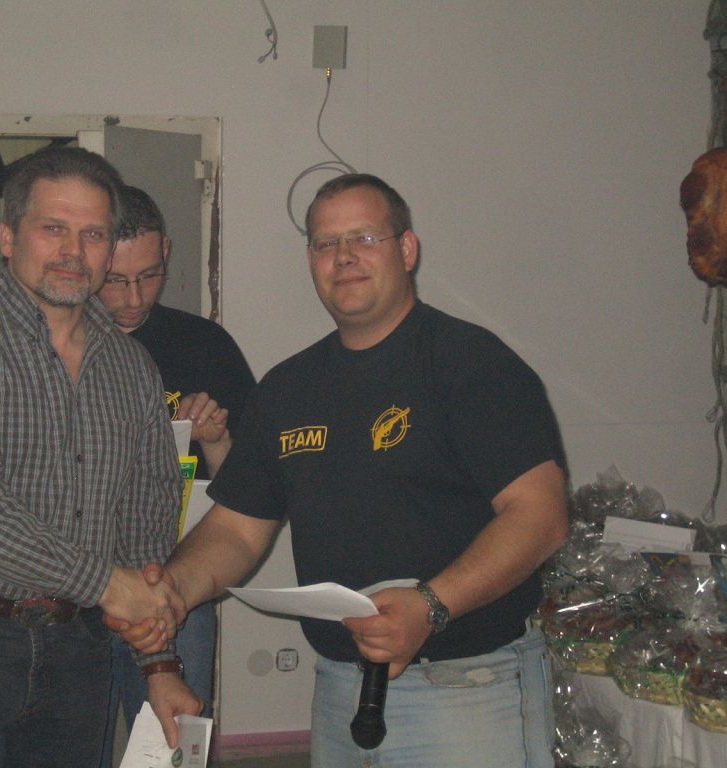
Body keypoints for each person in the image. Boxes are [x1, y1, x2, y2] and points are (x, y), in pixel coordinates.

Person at [113, 173, 570, 767]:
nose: (345, 256)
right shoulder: (289, 388)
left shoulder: (471, 363)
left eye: (365, 238)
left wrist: (430, 605)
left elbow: (540, 516)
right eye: (326, 243)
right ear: (311, 259)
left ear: (407, 249)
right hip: (339, 687)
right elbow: (237, 530)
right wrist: (174, 593)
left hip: (468, 687)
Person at [0, 145, 200, 768]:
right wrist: (106, 584)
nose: (73, 251)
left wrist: (159, 665)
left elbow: (144, 524)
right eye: (53, 228)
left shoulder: (132, 368)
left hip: (79, 652)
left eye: (93, 234)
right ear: (8, 237)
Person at [96, 185, 255, 765]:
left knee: (172, 752)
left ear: (166, 250)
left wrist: (215, 439)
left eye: (150, 275)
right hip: (73, 587)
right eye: (115, 280)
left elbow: (251, 496)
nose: (134, 298)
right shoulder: (58, 344)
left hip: (174, 582)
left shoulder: (204, 345)